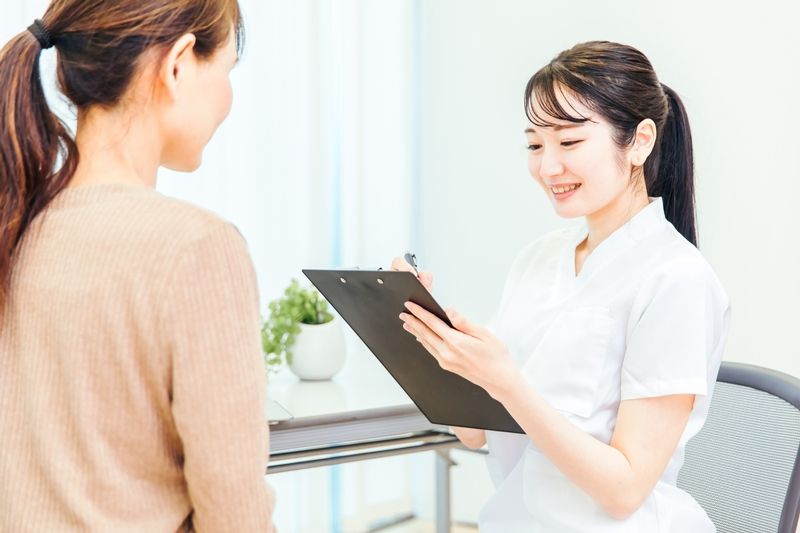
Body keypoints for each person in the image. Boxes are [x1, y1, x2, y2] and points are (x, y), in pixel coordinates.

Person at [394, 41, 730, 532]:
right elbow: (474, 433)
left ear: (640, 141)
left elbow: (624, 491)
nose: (548, 167)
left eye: (569, 142)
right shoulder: (539, 259)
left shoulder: (677, 279)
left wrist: (508, 384)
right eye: (535, 145)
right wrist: (425, 333)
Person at [0, 1, 275, 531]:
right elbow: (235, 515)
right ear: (178, 64)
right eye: (226, 72)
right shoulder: (197, 249)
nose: (228, 99)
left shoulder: (16, 225)